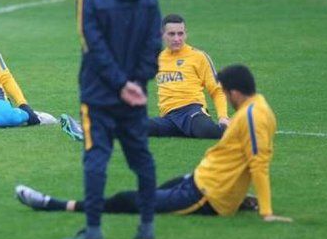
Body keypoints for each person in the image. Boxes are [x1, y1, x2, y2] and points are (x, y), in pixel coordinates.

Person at [16, 65, 292, 223]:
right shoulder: (257, 106)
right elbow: (237, 159)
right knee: (158, 189)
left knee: (129, 200)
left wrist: (267, 212)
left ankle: (52, 204)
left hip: (206, 194)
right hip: (201, 179)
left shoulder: (254, 117)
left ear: (233, 93)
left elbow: (258, 164)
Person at [65, 0, 162, 239]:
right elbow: (153, 46)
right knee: (142, 159)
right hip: (135, 96)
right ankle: (147, 227)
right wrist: (136, 83)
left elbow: (93, 46)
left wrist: (120, 84)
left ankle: (93, 230)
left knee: (96, 158)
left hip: (99, 95)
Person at [60, 13, 229, 140]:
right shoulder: (157, 58)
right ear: (162, 35)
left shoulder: (198, 56)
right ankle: (85, 130)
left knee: (207, 132)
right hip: (169, 118)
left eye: (180, 33)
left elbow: (216, 90)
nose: (177, 38)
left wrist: (223, 118)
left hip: (191, 111)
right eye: (172, 34)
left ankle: (244, 129)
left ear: (186, 34)